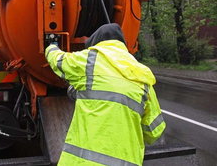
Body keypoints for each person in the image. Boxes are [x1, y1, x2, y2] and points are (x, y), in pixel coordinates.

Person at [45, 23, 165, 166]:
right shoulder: (142, 76)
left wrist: (51, 46)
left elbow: (59, 61)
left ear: (96, 44)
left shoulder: (90, 60)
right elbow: (154, 131)